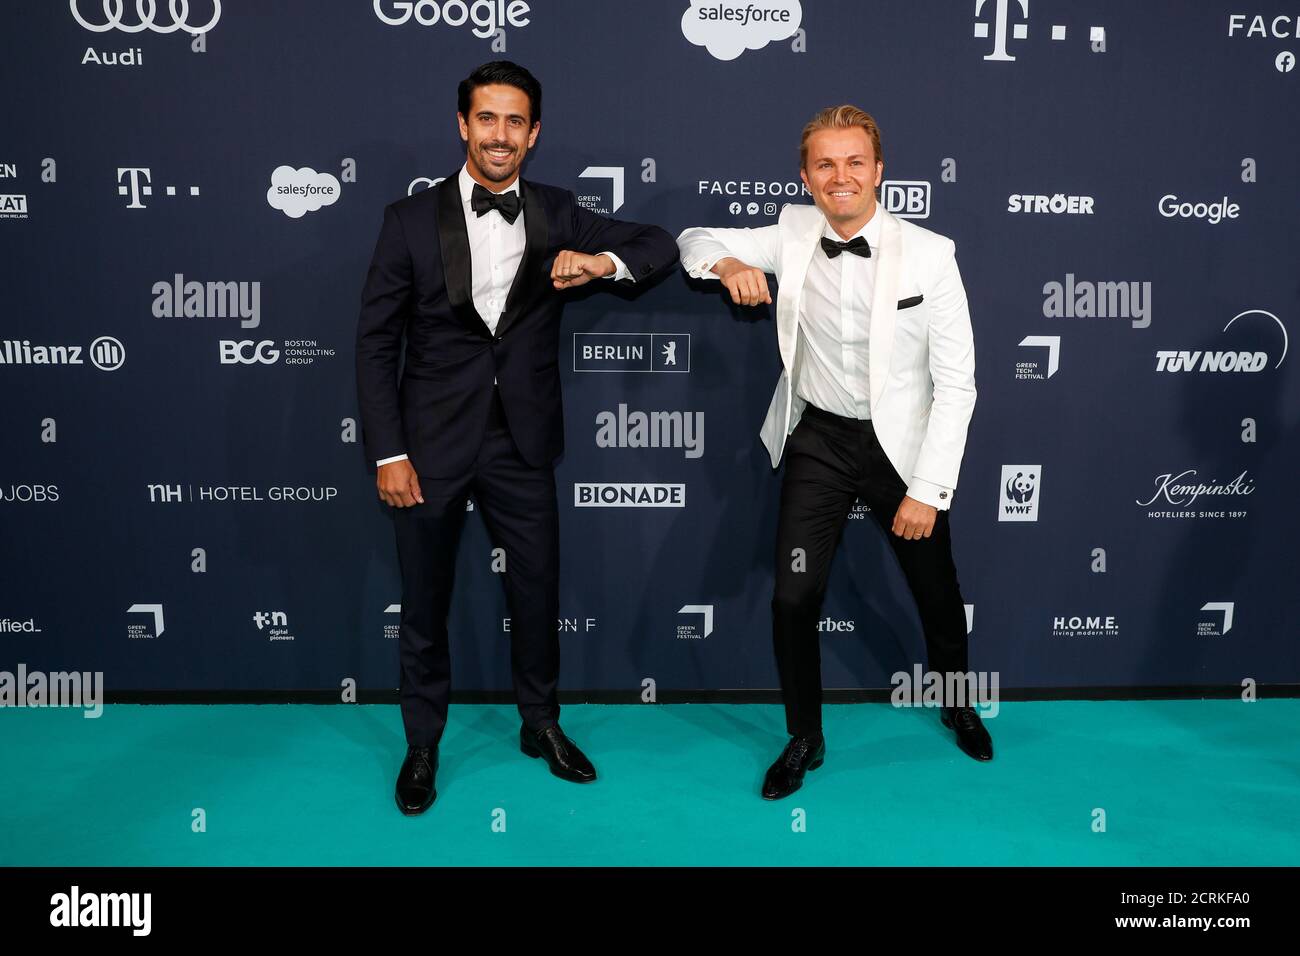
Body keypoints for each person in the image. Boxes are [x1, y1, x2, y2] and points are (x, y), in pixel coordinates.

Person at [356, 60, 678, 815]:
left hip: (523, 444)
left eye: (515, 122)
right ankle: (423, 742)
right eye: (486, 119)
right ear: (462, 125)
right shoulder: (407, 220)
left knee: (535, 593)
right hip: (429, 446)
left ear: (534, 134)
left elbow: (658, 246)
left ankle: (541, 724)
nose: (499, 135)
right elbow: (375, 343)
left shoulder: (559, 211)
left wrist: (600, 261)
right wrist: (389, 450)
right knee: (425, 601)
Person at [677, 105, 991, 801]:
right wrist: (728, 261)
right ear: (805, 176)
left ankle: (957, 700)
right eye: (825, 164)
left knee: (938, 596)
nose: (840, 177)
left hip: (900, 447)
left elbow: (958, 383)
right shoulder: (791, 232)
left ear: (880, 172)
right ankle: (804, 736)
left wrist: (929, 487)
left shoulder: (930, 254)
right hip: (817, 438)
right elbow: (693, 239)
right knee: (793, 596)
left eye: (855, 163)